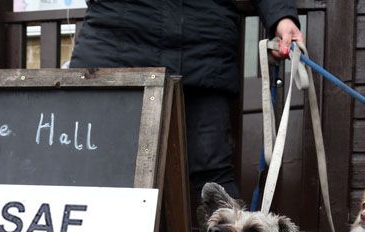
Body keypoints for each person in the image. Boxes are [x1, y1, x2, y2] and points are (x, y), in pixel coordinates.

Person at [69, 0, 303, 202]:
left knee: (212, 176)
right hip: (123, 39)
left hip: (197, 46)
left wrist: (281, 16)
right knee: (95, 164)